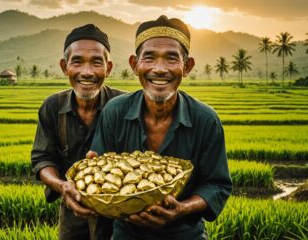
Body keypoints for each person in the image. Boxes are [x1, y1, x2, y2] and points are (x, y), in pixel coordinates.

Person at [89, 16, 232, 239]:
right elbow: (101, 170)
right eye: (149, 58)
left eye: (171, 59)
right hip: (127, 234)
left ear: (187, 66)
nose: (159, 69)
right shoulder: (114, 112)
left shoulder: (206, 119)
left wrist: (182, 209)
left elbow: (217, 185)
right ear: (135, 65)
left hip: (185, 234)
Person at [31, 24, 125, 240]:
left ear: (108, 68)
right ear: (65, 67)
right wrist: (62, 186)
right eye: (77, 61)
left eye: (96, 62)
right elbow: (42, 159)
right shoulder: (53, 107)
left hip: (119, 216)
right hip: (72, 213)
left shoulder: (124, 106)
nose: (87, 72)